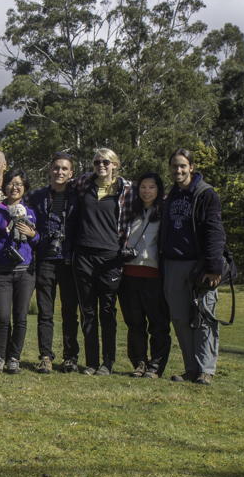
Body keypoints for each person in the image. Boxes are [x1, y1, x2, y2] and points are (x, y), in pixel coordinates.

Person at [161, 148, 226, 386]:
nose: (178, 170)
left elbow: (214, 232)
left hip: (200, 267)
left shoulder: (206, 194)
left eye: (182, 166)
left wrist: (214, 267)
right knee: (179, 318)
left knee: (204, 318)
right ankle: (191, 369)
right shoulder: (172, 196)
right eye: (174, 166)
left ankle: (206, 370)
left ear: (192, 167)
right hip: (173, 265)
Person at [72, 148, 134, 375]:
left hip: (110, 257)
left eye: (106, 162)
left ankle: (107, 363)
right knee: (87, 312)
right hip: (83, 256)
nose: (101, 166)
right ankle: (91, 363)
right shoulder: (83, 184)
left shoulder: (127, 189)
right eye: (97, 162)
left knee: (107, 312)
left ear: (115, 165)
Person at [28, 153, 80, 374]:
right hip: (45, 259)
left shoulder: (78, 196)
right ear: (49, 170)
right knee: (45, 312)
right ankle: (45, 356)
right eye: (56, 168)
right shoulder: (37, 196)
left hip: (69, 260)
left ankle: (70, 357)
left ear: (71, 173)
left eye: (64, 169)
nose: (60, 172)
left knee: (70, 311)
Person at [118, 172, 171, 379]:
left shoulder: (164, 213)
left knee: (158, 325)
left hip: (155, 276)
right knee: (135, 324)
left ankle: (155, 365)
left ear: (158, 190)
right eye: (143, 187)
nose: (147, 191)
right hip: (129, 275)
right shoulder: (130, 213)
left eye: (151, 187)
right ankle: (139, 362)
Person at [0, 168, 39, 374]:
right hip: (1, 269)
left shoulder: (32, 211)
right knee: (1, 315)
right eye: (10, 183)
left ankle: (14, 358)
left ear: (24, 188)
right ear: (4, 186)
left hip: (25, 270)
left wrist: (33, 234)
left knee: (20, 316)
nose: (14, 187)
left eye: (19, 184)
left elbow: (39, 240)